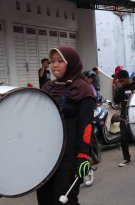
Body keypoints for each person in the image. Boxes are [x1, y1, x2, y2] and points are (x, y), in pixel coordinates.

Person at [39, 47, 95, 204]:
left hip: (68, 157)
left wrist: (83, 156)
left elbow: (86, 127)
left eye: (60, 60)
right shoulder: (47, 88)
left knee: (65, 201)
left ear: (71, 63)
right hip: (45, 155)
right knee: (44, 199)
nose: (54, 65)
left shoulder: (83, 89)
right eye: (52, 61)